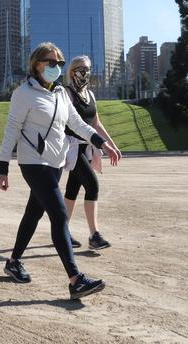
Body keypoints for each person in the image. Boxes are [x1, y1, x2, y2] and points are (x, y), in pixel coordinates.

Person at [0, 42, 120, 300]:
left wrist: (101, 143)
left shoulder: (61, 93)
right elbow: (11, 131)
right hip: (32, 162)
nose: (56, 68)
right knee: (59, 214)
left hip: (55, 162)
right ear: (37, 64)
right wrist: (2, 166)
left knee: (33, 213)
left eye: (59, 64)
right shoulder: (23, 94)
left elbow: (77, 124)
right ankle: (75, 280)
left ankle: (13, 261)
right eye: (51, 63)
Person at [63, 56, 122, 251]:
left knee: (72, 190)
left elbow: (96, 124)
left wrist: (111, 145)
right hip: (72, 149)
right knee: (93, 185)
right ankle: (94, 235)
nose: (84, 72)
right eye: (80, 69)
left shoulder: (90, 95)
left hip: (88, 148)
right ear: (71, 71)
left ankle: (62, 231)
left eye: (87, 68)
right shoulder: (67, 94)